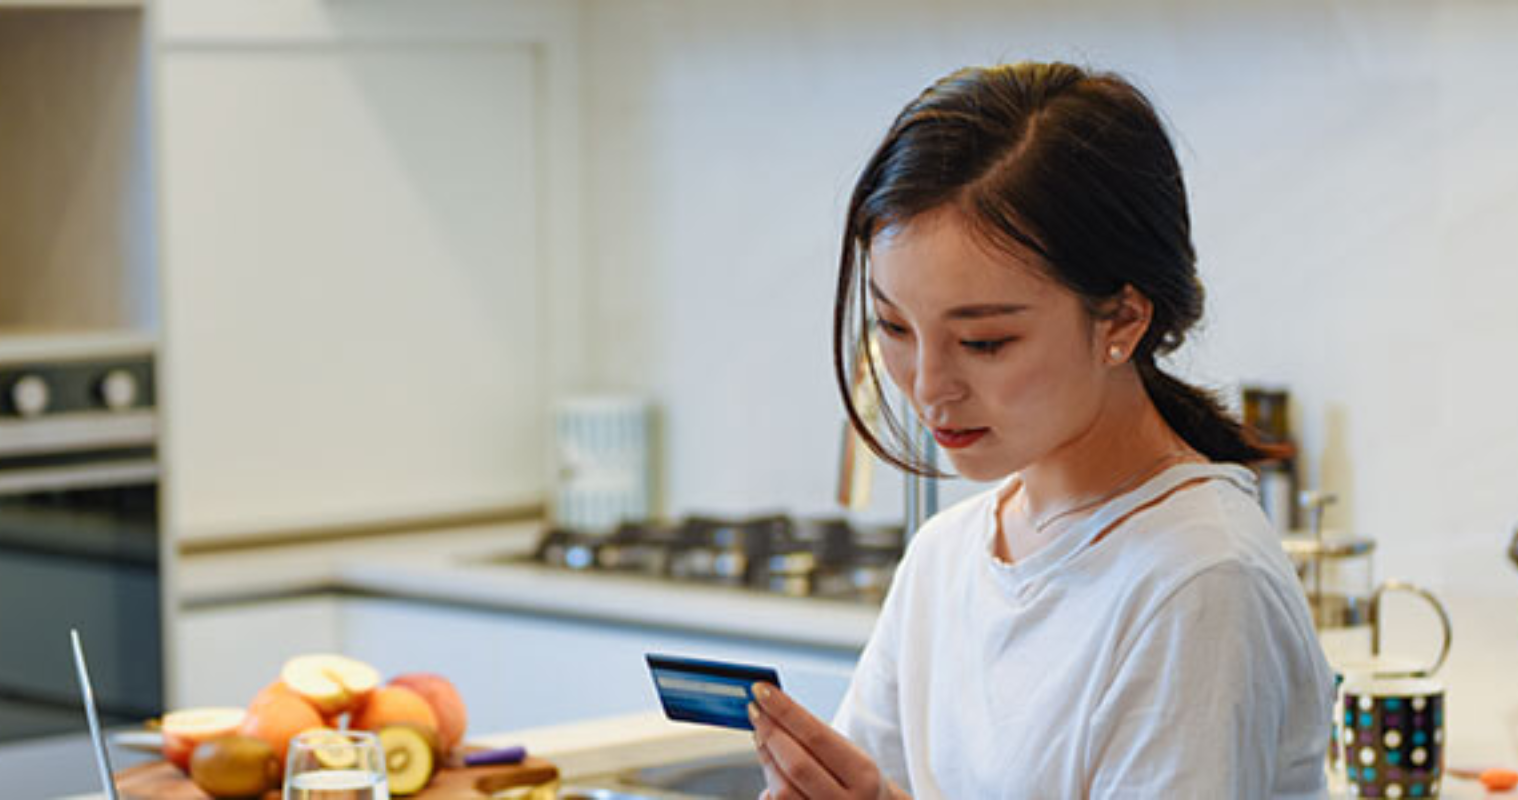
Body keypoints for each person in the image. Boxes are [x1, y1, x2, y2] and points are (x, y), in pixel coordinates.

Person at [747, 61, 1335, 799]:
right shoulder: (945, 559)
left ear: (1122, 318)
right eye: (894, 326)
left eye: (985, 342)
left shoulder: (1200, 581)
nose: (929, 387)